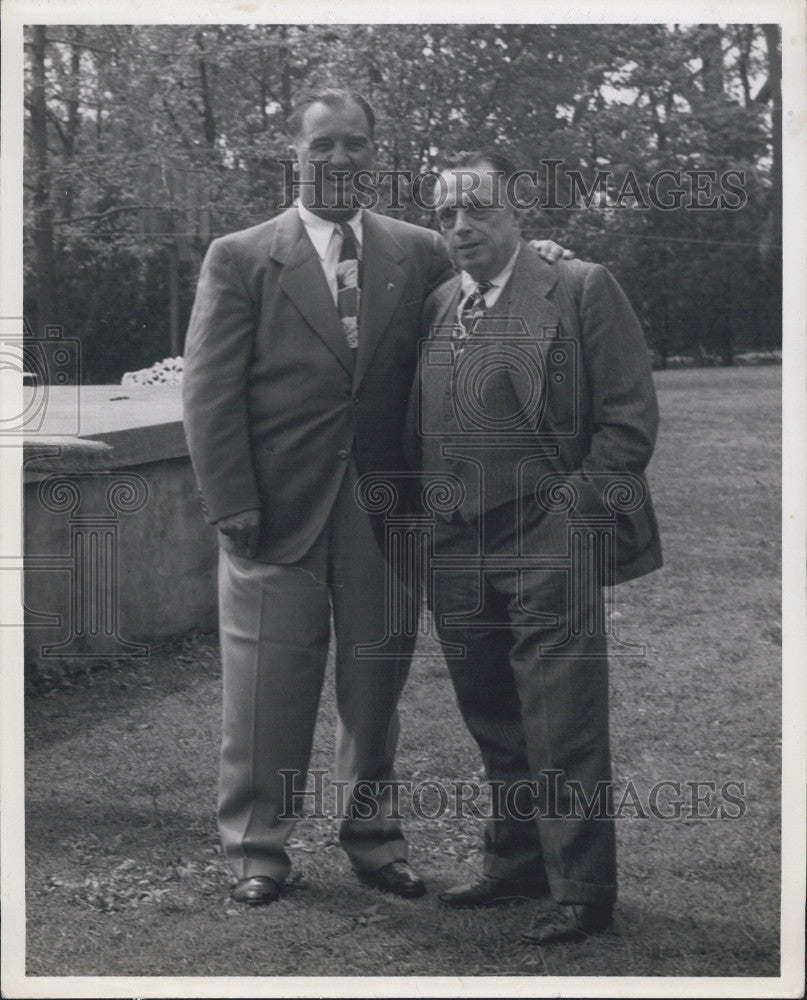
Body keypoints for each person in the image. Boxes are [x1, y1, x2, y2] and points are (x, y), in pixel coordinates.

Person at [182, 89, 568, 906]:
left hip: (387, 511)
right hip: (273, 510)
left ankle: (373, 840)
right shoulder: (241, 255)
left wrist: (547, 262)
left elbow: (490, 276)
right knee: (266, 691)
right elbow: (209, 395)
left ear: (373, 154)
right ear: (293, 151)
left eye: (355, 145)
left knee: (372, 687)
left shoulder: (420, 249)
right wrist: (230, 501)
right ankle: (258, 849)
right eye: (322, 144)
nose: (340, 160)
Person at [407, 150, 662, 942]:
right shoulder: (440, 302)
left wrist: (571, 514)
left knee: (562, 719)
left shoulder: (578, 286)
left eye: (477, 208)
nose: (460, 226)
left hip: (545, 534)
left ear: (518, 213)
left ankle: (583, 889)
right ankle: (514, 864)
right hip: (455, 546)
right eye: (446, 213)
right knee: (492, 715)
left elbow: (627, 420)